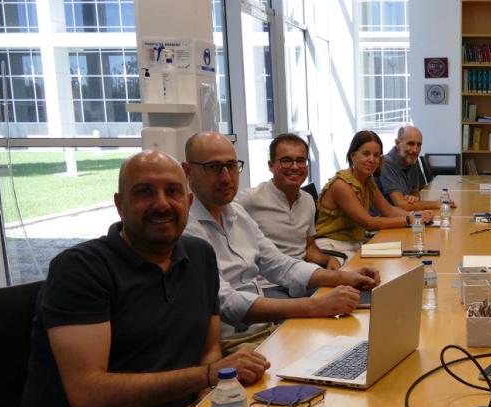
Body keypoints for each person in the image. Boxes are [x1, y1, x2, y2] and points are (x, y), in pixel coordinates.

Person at [17, 150, 270, 407]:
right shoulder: (81, 269)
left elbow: (208, 348)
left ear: (188, 199)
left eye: (172, 191)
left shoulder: (200, 256)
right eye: (144, 192)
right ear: (120, 204)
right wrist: (209, 375)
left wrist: (200, 398)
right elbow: (89, 393)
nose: (162, 204)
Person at [182, 131, 380, 347]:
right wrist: (315, 306)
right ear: (188, 171)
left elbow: (280, 264)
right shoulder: (186, 229)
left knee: (357, 337)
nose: (226, 177)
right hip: (237, 340)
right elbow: (227, 303)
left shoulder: (236, 213)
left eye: (231, 165)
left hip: (266, 327)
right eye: (213, 167)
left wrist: (346, 277)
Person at [314, 130, 433, 259]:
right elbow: (369, 223)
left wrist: (416, 215)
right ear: (353, 155)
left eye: (376, 155)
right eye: (366, 154)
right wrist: (409, 220)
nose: (372, 159)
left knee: (402, 255)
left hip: (354, 243)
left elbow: (389, 210)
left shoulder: (367, 180)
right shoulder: (341, 184)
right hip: (332, 248)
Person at [234, 133, 339, 269]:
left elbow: (308, 247)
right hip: (268, 284)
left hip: (303, 277)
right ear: (270, 165)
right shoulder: (249, 199)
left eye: (301, 160)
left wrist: (329, 260)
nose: (295, 167)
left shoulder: (307, 200)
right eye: (286, 160)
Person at [378, 125, 456, 211]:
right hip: (384, 219)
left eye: (419, 145)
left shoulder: (411, 160)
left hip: (403, 215)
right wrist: (436, 203)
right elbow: (401, 205)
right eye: (410, 144)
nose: (415, 150)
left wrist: (413, 197)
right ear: (397, 143)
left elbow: (415, 191)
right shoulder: (386, 163)